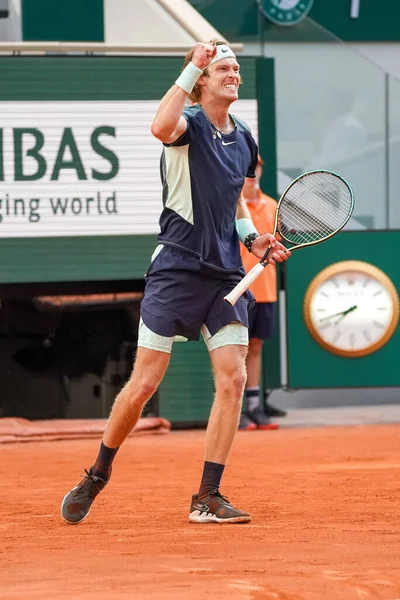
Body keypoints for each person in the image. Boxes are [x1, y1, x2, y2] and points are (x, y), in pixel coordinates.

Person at [61, 39, 290, 525]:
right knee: (144, 383)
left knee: (233, 379)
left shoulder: (244, 138)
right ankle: (98, 473)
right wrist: (192, 66)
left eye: (235, 69)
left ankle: (207, 497)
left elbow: (235, 201)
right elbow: (159, 125)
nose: (233, 74)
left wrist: (254, 241)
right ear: (202, 79)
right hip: (177, 268)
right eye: (222, 68)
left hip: (225, 274)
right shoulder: (188, 127)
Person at [238, 155, 287, 432]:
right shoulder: (231, 207)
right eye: (248, 169)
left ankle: (254, 407)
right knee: (236, 350)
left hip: (265, 290)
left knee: (255, 347)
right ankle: (237, 410)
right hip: (237, 289)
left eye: (256, 167)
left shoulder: (273, 206)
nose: (252, 173)